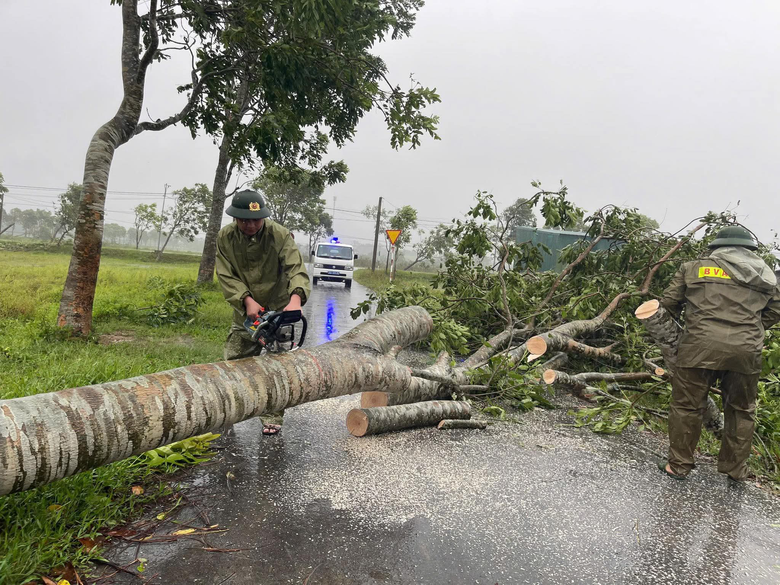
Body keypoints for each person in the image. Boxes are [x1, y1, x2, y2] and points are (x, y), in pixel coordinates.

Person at [659, 225, 780, 481]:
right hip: (745, 352)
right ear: (750, 250)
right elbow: (776, 310)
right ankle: (736, 470)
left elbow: (668, 304)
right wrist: (751, 329)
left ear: (716, 248)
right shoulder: (766, 276)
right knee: (741, 410)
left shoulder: (693, 268)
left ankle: (679, 466)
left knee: (687, 406)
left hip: (697, 347)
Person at [216, 189, 311, 433]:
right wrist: (246, 300)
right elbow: (226, 274)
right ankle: (229, 412)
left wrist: (296, 298)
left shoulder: (279, 235)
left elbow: (295, 268)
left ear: (264, 217)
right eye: (244, 220)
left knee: (277, 367)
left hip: (278, 309)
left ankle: (272, 418)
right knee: (234, 362)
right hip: (245, 312)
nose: (250, 224)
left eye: (255, 219)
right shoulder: (225, 237)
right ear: (235, 218)